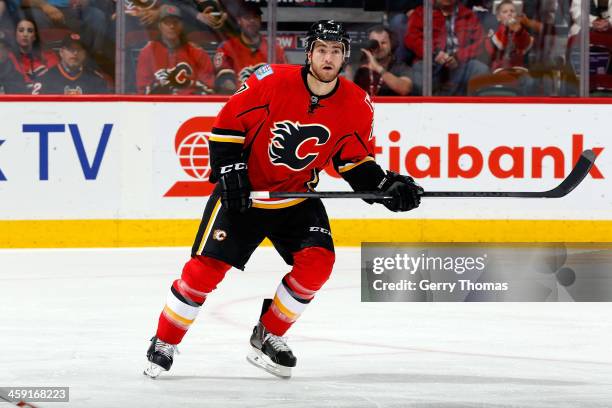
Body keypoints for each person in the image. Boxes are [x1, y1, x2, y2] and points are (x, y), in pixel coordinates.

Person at [144, 20, 423, 379]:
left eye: (336, 51)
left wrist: (384, 186)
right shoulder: (271, 81)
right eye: (321, 49)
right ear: (309, 53)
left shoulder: (357, 104)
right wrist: (230, 171)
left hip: (296, 197)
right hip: (247, 196)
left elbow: (352, 160)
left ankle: (269, 335)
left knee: (318, 264)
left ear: (344, 57)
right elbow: (227, 126)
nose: (328, 57)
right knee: (202, 273)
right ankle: (164, 340)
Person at [405, 0, 489, 95]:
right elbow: (411, 38)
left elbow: (480, 43)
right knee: (420, 68)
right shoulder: (421, 12)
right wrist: (433, 53)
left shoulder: (468, 15)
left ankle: (471, 107)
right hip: (431, 61)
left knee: (480, 69)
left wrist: (458, 57)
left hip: (459, 62)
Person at [136, 4, 214, 94]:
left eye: (175, 22)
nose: (172, 26)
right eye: (167, 23)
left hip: (189, 105)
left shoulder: (197, 52)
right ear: (159, 26)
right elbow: (142, 90)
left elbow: (208, 88)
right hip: (158, 105)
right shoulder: (148, 52)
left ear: (181, 25)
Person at [213, 2, 286, 94]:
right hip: (238, 99)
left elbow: (284, 81)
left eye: (255, 17)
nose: (252, 21)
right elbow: (225, 81)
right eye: (247, 17)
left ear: (260, 20)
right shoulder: (227, 48)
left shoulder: (275, 49)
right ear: (239, 21)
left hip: (267, 100)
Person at [39, 32, 109, 94]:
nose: (75, 53)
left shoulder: (96, 80)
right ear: (61, 52)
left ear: (84, 54)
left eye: (78, 49)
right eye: (70, 49)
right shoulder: (46, 79)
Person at [353, 25, 413, 96]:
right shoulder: (359, 67)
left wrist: (378, 68)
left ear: (392, 45)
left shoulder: (401, 67)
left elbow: (405, 89)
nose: (379, 47)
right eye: (374, 43)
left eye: (383, 43)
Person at [10, 17, 58, 91]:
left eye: (30, 31)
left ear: (35, 36)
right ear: (15, 35)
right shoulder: (8, 57)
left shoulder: (49, 56)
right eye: (21, 30)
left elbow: (55, 82)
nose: (25, 34)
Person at [486, 0, 534, 72]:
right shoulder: (495, 33)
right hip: (500, 69)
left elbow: (525, 45)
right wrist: (506, 30)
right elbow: (495, 50)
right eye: (505, 12)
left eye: (512, 11)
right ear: (499, 17)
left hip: (518, 68)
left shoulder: (521, 31)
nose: (509, 14)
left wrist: (519, 31)